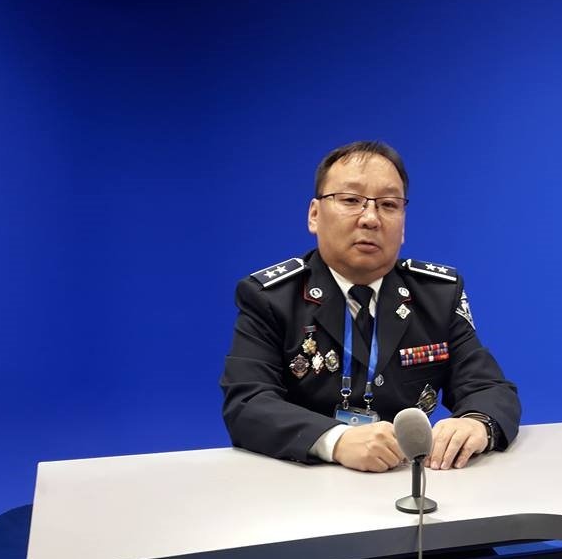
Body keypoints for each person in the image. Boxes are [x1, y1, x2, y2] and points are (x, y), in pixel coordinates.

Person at [221, 141, 520, 473]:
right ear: (314, 215)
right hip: (304, 479)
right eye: (351, 200)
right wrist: (336, 440)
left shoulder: (437, 295)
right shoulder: (272, 297)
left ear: (403, 224)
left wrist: (477, 423)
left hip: (407, 478)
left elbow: (488, 387)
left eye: (389, 205)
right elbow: (247, 403)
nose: (371, 218)